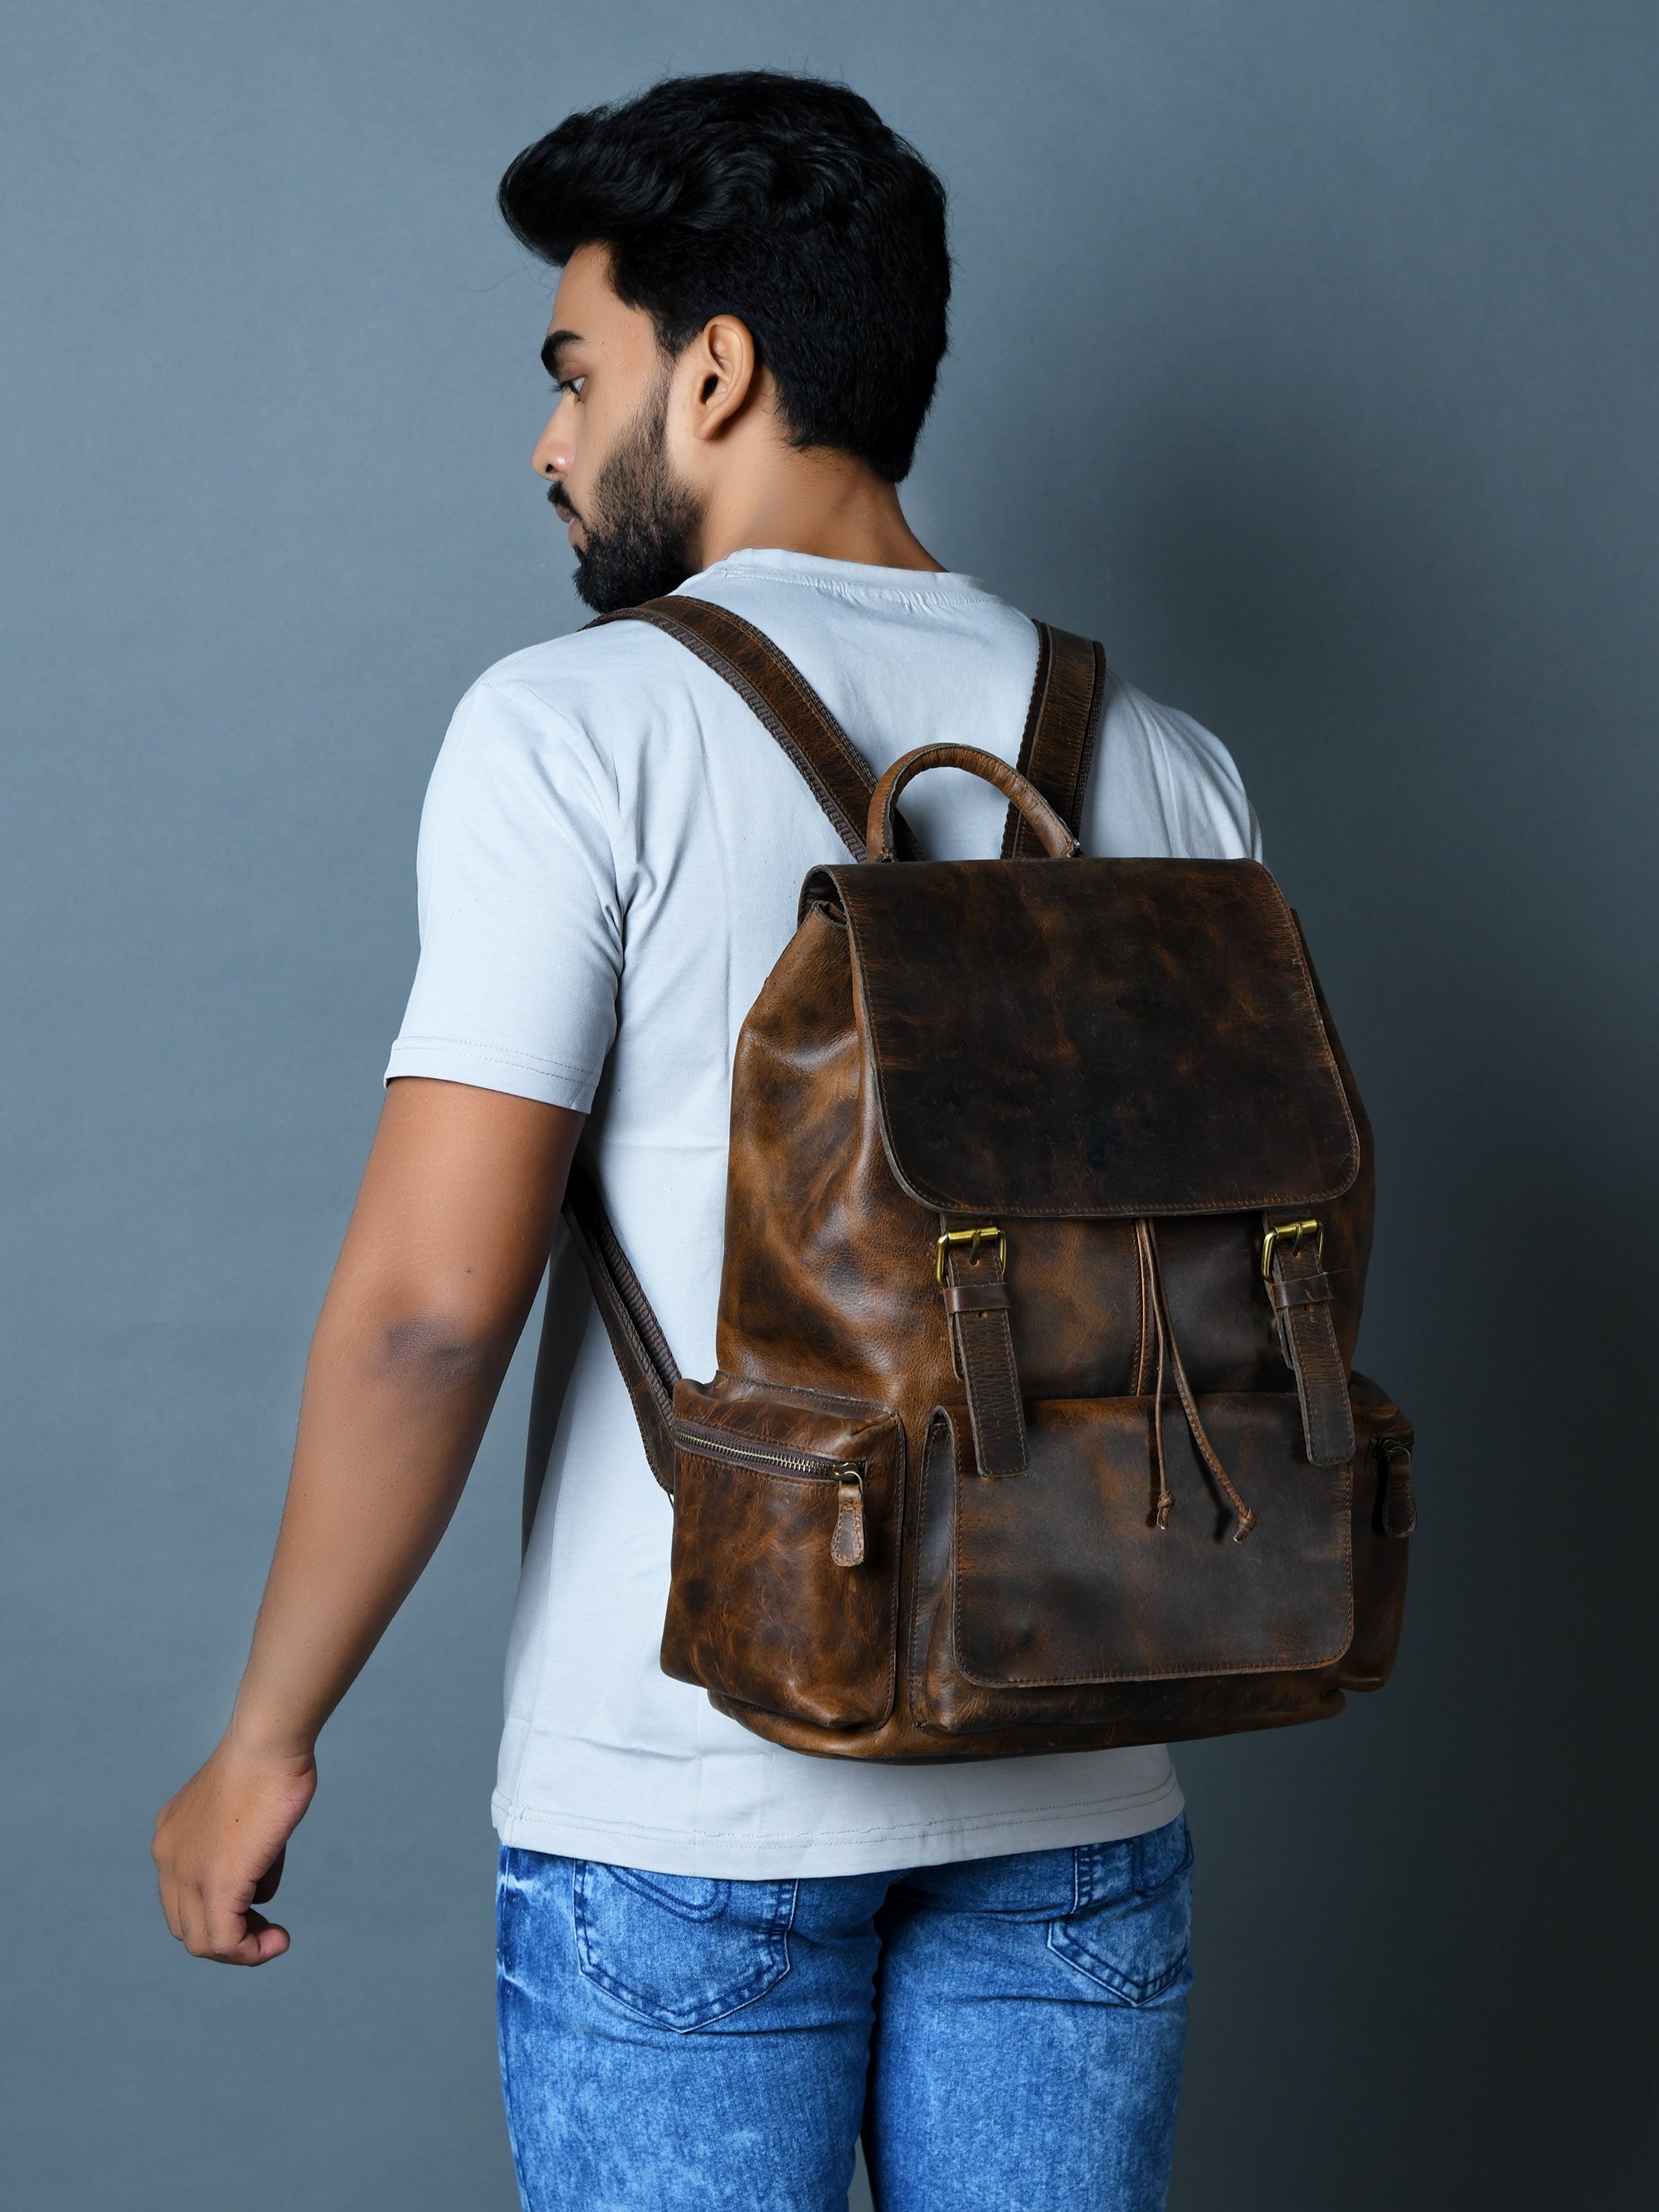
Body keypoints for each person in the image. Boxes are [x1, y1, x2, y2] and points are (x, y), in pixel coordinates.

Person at [153, 70, 1262, 2212]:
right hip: (1086, 1776)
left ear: (719, 366)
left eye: (579, 372)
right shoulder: (1172, 758)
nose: (550, 444)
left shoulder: (577, 727)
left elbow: (425, 1315)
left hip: (688, 1801)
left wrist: (268, 1730)